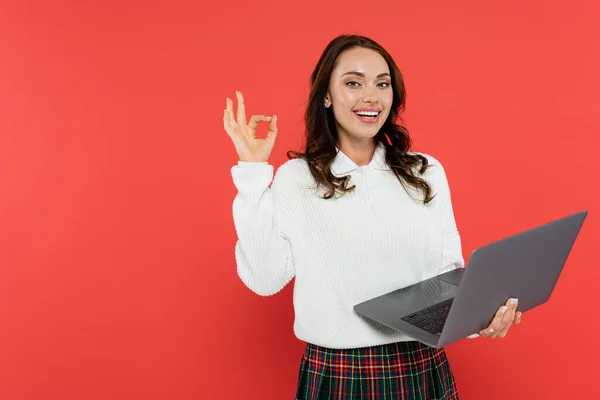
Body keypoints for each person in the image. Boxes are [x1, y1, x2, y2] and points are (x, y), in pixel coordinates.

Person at [223, 34, 522, 400]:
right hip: (339, 375)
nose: (371, 96)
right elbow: (265, 279)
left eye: (382, 84)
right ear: (327, 96)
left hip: (422, 368)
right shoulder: (297, 179)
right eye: (353, 83)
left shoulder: (426, 173)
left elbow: (447, 279)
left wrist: (481, 321)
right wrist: (253, 173)